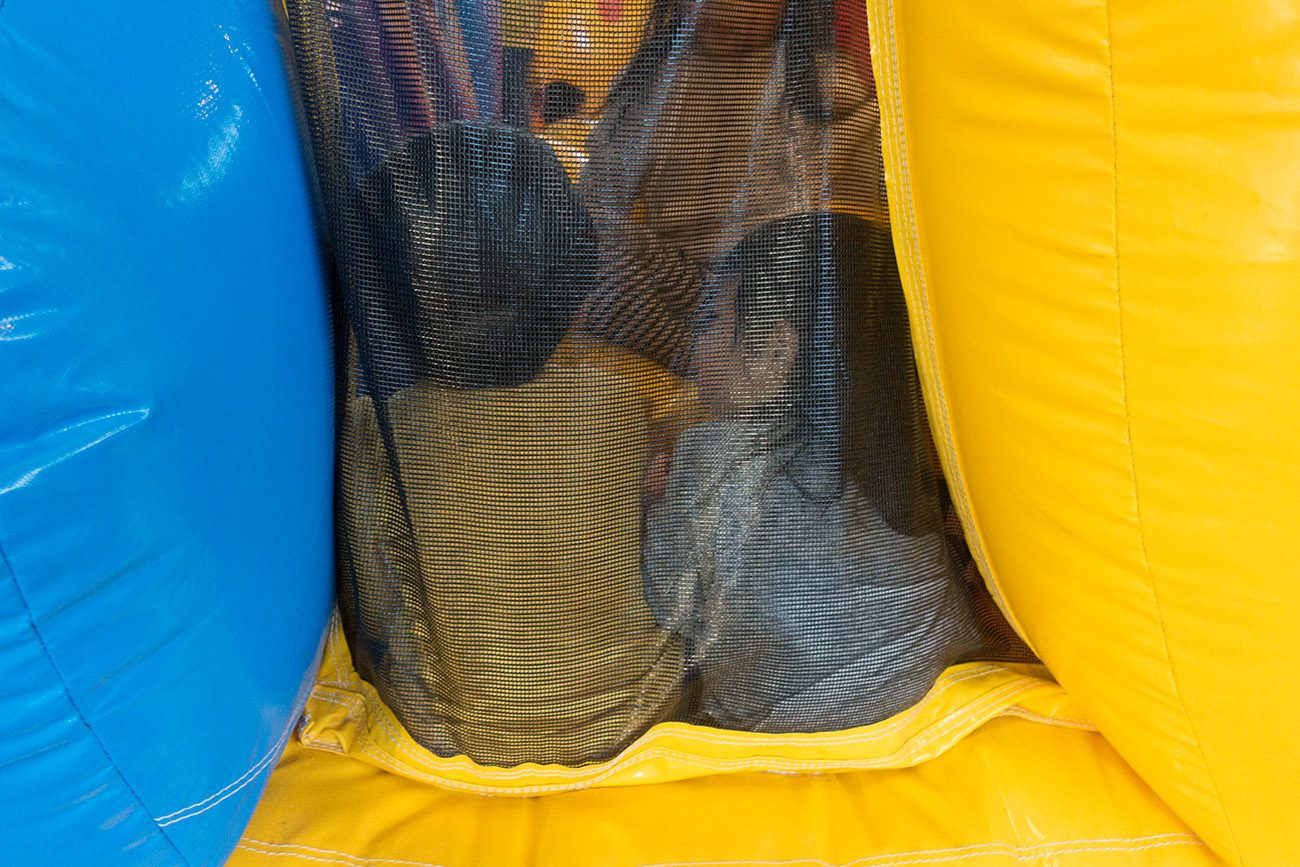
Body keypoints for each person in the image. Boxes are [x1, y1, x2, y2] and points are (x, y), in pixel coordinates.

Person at [339, 121, 701, 767]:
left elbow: (382, 594)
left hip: (455, 738)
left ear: (391, 310)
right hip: (638, 718)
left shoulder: (378, 434)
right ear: (575, 288)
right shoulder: (613, 407)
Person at [643, 212, 982, 733]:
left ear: (777, 353)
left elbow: (672, 609)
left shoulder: (709, 459)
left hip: (794, 742)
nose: (694, 348)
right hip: (942, 710)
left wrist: (654, 508)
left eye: (710, 321)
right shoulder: (905, 449)